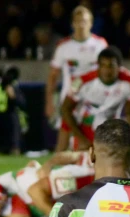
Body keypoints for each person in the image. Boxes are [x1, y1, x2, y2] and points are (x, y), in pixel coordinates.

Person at [45, 6, 108, 152]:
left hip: (93, 100)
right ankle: (55, 171)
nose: (81, 25)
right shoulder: (64, 46)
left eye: (84, 21)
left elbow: (108, 71)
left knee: (93, 139)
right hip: (70, 100)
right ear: (72, 23)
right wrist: (49, 102)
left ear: (91, 23)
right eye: (78, 21)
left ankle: (90, 171)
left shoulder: (100, 44)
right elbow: (53, 76)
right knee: (64, 140)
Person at [61, 47, 130, 151]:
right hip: (86, 129)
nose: (107, 70)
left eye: (111, 66)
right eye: (102, 66)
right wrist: (81, 138)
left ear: (119, 67)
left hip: (112, 131)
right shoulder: (80, 81)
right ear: (97, 66)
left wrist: (128, 139)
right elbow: (65, 109)